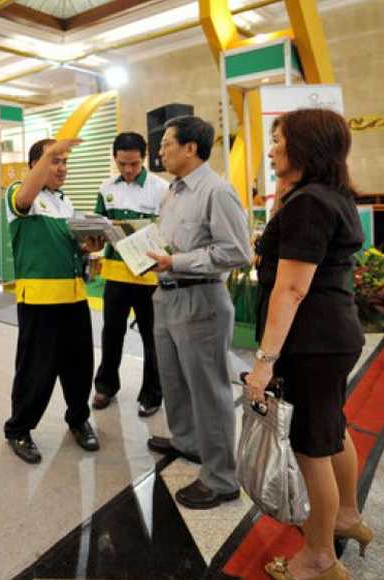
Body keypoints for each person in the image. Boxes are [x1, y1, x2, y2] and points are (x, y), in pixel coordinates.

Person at [245, 109, 368, 580]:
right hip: (334, 336)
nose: (271, 149)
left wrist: (263, 362)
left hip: (311, 343)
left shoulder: (309, 204)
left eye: (279, 139)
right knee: (332, 428)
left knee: (311, 445)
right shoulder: (332, 195)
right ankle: (346, 516)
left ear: (305, 146)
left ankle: (319, 558)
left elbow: (292, 289)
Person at [145, 115, 251, 509]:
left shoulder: (216, 191)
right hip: (167, 296)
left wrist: (177, 262)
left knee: (209, 391)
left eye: (167, 143)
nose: (160, 150)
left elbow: (237, 252)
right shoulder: (173, 191)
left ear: (191, 148)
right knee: (173, 380)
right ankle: (187, 442)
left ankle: (222, 478)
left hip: (201, 299)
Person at [3, 138, 104, 464]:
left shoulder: (65, 202)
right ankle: (19, 429)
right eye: (53, 161)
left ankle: (78, 419)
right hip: (39, 302)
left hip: (74, 298)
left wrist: (88, 247)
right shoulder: (20, 194)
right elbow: (23, 199)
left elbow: (71, 247)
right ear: (35, 166)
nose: (61, 168)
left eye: (64, 161)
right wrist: (48, 153)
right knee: (36, 370)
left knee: (79, 366)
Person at [92, 132, 169, 417]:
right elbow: (98, 227)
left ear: (144, 158)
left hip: (149, 276)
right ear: (114, 158)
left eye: (134, 164)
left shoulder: (161, 189)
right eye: (122, 163)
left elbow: (169, 231)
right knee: (112, 333)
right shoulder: (105, 188)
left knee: (153, 337)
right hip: (116, 275)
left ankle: (152, 394)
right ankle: (105, 386)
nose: (128, 169)